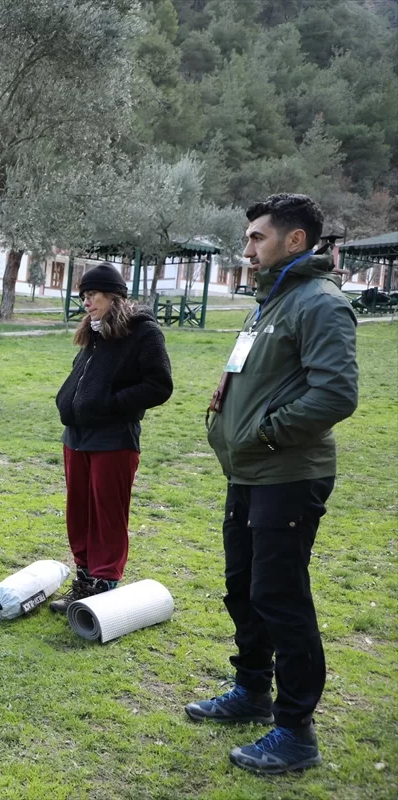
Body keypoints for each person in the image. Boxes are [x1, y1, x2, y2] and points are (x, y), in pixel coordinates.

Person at [184, 194, 358, 774]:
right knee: (243, 587)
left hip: (287, 472)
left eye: (258, 237)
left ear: (296, 241)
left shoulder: (320, 303)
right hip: (249, 471)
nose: (248, 248)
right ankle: (253, 691)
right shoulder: (272, 301)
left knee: (280, 598)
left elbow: (335, 394)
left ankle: (295, 732)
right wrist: (228, 403)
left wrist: (261, 431)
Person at [49, 263, 173, 613]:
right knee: (79, 512)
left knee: (107, 514)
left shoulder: (143, 332)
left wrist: (110, 405)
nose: (86, 304)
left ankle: (105, 583)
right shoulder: (95, 331)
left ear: (113, 295)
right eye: (84, 297)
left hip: (114, 439)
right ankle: (84, 579)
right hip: (76, 437)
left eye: (92, 296)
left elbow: (159, 385)